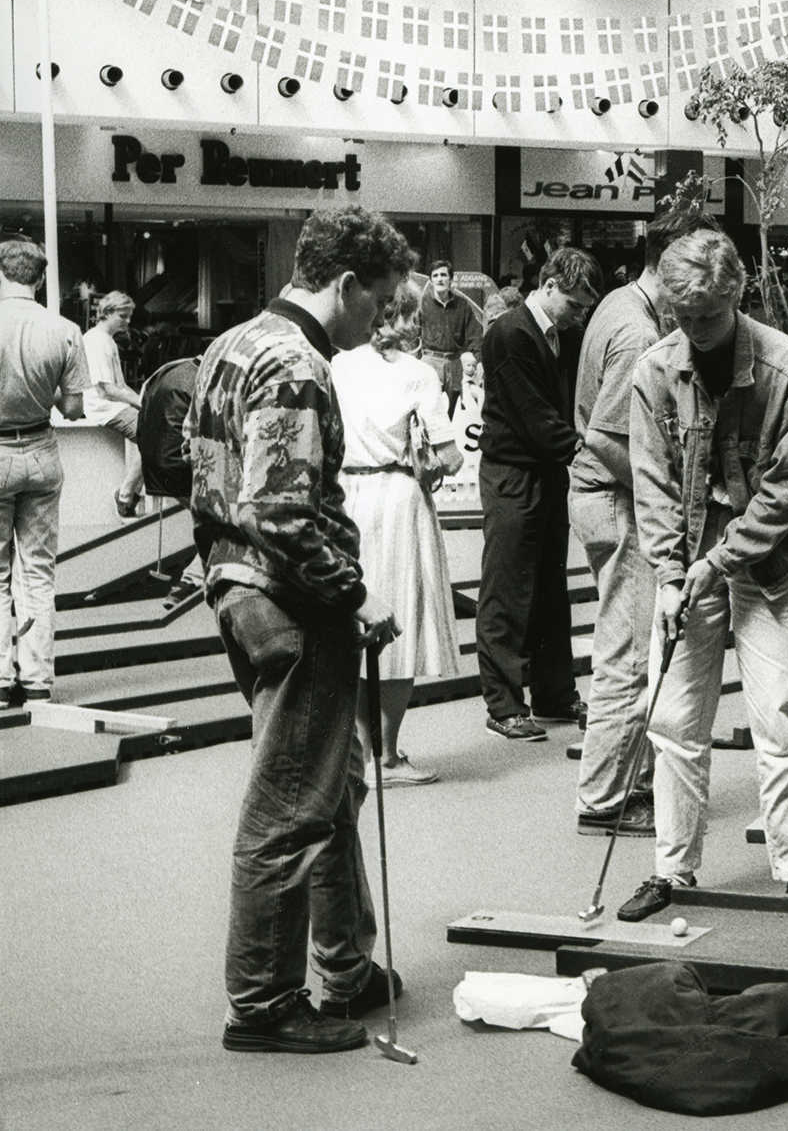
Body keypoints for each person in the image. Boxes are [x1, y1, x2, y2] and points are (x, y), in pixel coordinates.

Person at [185, 207, 406, 1055]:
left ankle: (346, 965)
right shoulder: (296, 362)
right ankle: (264, 1002)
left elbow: (199, 473)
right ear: (343, 283)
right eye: (378, 301)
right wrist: (355, 595)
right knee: (289, 808)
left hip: (238, 591)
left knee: (332, 783)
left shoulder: (232, 344)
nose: (380, 320)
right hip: (292, 602)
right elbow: (278, 509)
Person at [619, 228, 788, 922]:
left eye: (707, 317)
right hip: (685, 553)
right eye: (681, 318)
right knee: (675, 720)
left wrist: (710, 567)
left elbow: (784, 495)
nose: (695, 331)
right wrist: (673, 575)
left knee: (779, 715)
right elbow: (651, 485)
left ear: (736, 295)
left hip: (771, 560)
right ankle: (673, 871)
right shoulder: (655, 370)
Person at [572, 200, 712, 837]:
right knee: (628, 654)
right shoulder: (637, 332)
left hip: (603, 496)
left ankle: (618, 784)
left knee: (628, 645)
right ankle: (604, 797)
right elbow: (604, 435)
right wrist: (667, 496)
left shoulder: (620, 303)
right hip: (614, 496)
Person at [335, 278, 464, 787]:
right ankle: (387, 756)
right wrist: (431, 462)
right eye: (411, 316)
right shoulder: (419, 374)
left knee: (359, 618)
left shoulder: (338, 364)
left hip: (348, 496)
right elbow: (449, 458)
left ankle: (362, 751)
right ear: (395, 318)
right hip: (399, 497)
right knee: (402, 621)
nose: (417, 325)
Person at [476, 246, 603, 742]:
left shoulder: (557, 335)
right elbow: (535, 416)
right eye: (574, 304)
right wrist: (586, 447)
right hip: (513, 472)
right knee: (507, 588)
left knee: (550, 588)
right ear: (548, 287)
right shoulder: (509, 334)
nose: (579, 316)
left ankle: (553, 692)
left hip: (544, 471)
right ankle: (504, 703)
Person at [0, 239, 88, 705]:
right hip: (41, 451)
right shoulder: (66, 329)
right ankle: (37, 681)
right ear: (38, 279)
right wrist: (43, 391)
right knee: (37, 572)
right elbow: (73, 408)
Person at [138, 355, 208, 613]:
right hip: (179, 467)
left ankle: (191, 579)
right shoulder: (207, 379)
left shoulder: (166, 369)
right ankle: (190, 581)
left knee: (210, 522)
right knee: (224, 523)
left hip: (157, 468)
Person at [83, 290, 146, 519]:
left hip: (111, 404)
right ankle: (126, 495)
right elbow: (106, 389)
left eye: (129, 316)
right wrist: (141, 402)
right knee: (150, 435)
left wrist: (144, 401)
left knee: (152, 430)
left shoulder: (106, 340)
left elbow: (119, 385)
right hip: (102, 407)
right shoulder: (95, 341)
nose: (127, 321)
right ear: (107, 313)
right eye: (123, 316)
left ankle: (130, 493)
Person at [418, 260, 482, 419]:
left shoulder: (463, 305)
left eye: (443, 275)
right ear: (431, 280)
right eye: (435, 275)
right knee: (430, 411)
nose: (440, 279)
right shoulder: (422, 304)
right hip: (430, 362)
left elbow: (475, 335)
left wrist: (478, 361)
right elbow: (411, 334)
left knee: (455, 412)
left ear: (450, 279)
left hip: (455, 364)